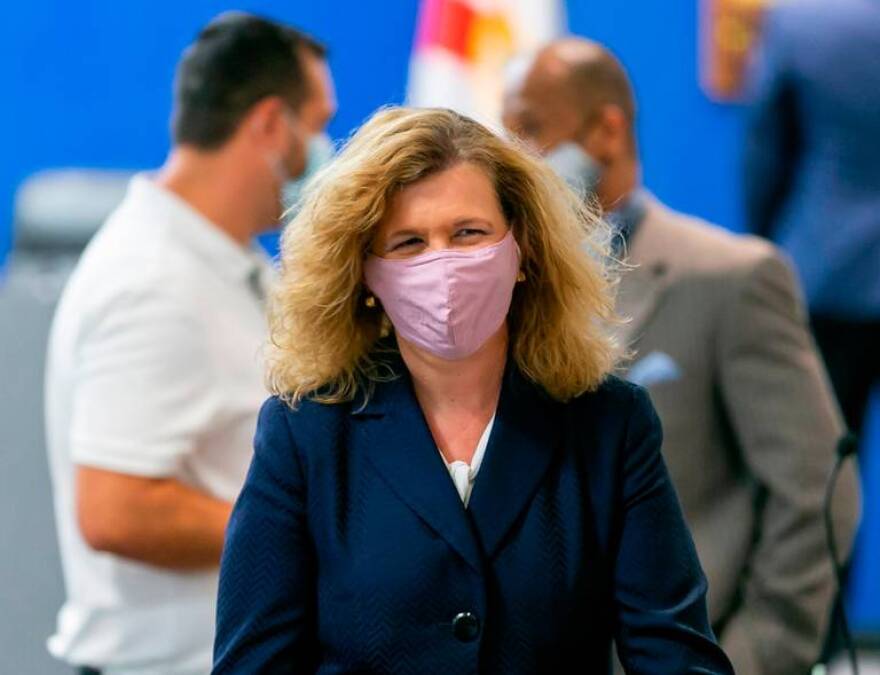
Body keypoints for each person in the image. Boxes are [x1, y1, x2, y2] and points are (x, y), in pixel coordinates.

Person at [212, 106, 733, 674]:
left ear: (522, 251)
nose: (444, 265)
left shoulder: (609, 424)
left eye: (468, 233)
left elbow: (677, 657)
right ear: (365, 275)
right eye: (409, 243)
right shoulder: (305, 433)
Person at [502, 38, 860, 674]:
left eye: (529, 130)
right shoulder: (501, 288)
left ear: (608, 130)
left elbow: (816, 493)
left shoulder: (732, 279)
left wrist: (748, 660)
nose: (515, 163)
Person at [44, 12, 335, 674]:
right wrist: (305, 526)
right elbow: (116, 508)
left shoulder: (230, 260)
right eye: (317, 127)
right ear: (268, 124)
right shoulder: (151, 279)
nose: (324, 154)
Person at [743, 0, 880, 448]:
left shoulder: (800, 21)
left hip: (827, 265)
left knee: (826, 458)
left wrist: (762, 245)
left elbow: (765, 150)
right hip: (832, 275)